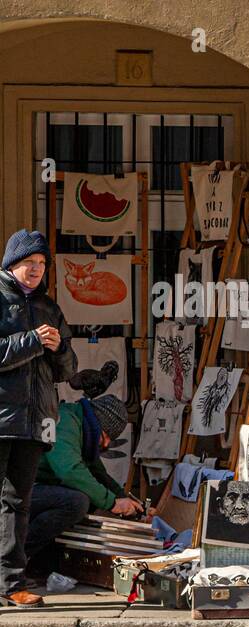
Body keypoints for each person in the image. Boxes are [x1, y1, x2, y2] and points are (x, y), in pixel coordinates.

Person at [0, 229, 75, 607]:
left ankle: (12, 585)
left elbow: (67, 370)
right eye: (29, 262)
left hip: (33, 421)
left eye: (42, 263)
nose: (35, 269)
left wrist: (59, 347)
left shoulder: (50, 308)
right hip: (0, 418)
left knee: (18, 502)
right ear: (12, 264)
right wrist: (31, 341)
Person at [26, 395, 140, 570]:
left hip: (33, 489)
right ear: (96, 421)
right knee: (76, 502)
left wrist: (124, 498)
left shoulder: (81, 427)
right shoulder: (63, 422)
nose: (107, 444)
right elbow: (69, 470)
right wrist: (112, 502)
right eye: (106, 435)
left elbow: (98, 474)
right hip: (18, 489)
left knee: (88, 494)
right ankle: (17, 556)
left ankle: (42, 560)